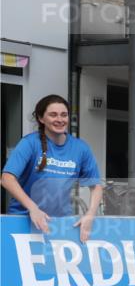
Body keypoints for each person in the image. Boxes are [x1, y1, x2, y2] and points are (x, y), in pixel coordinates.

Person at [2, 94, 103, 242]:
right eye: (53, 115)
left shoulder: (80, 148)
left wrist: (90, 214)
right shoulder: (29, 143)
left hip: (60, 223)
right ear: (41, 119)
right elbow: (7, 179)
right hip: (23, 221)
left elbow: (96, 186)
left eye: (64, 115)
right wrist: (33, 208)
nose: (60, 119)